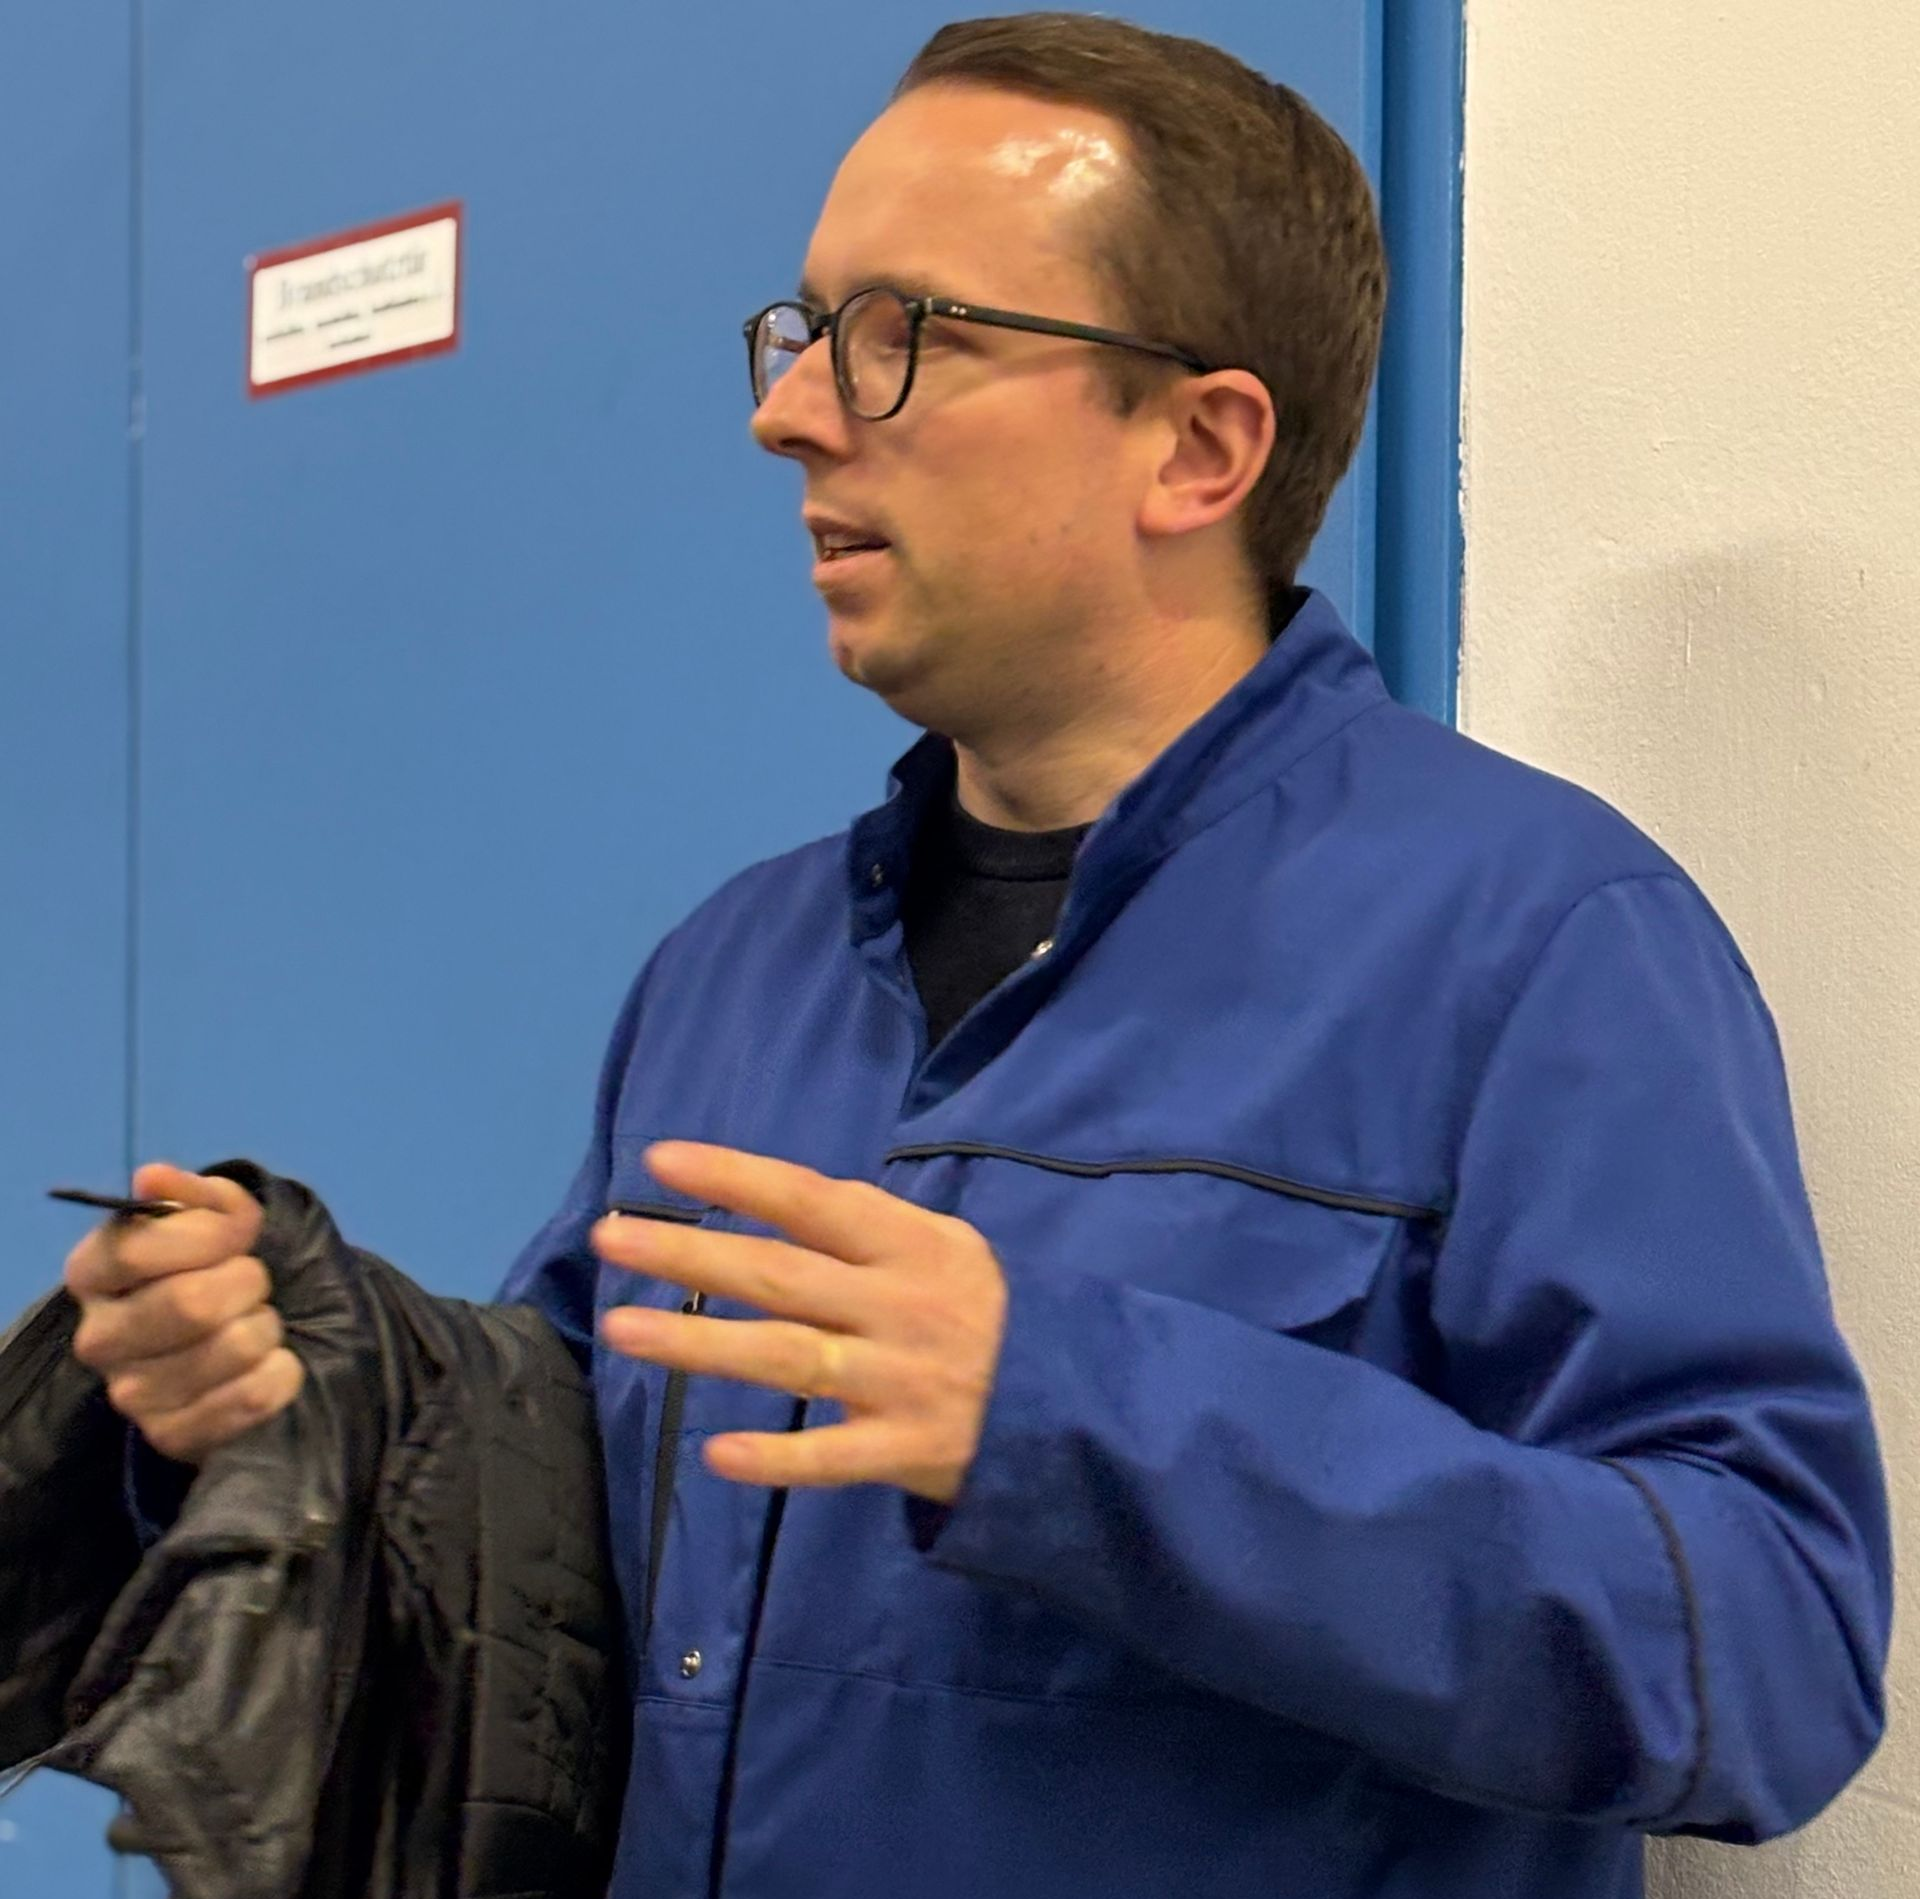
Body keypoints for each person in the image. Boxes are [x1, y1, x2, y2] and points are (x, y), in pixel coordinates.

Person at [59, 14, 1889, 1898]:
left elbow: (1775, 1655)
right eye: (805, 330)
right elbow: (560, 1554)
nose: (791, 412)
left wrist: (1067, 1410)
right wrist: (305, 1397)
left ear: (1198, 445)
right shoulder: (733, 971)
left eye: (902, 334)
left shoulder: (1537, 944)